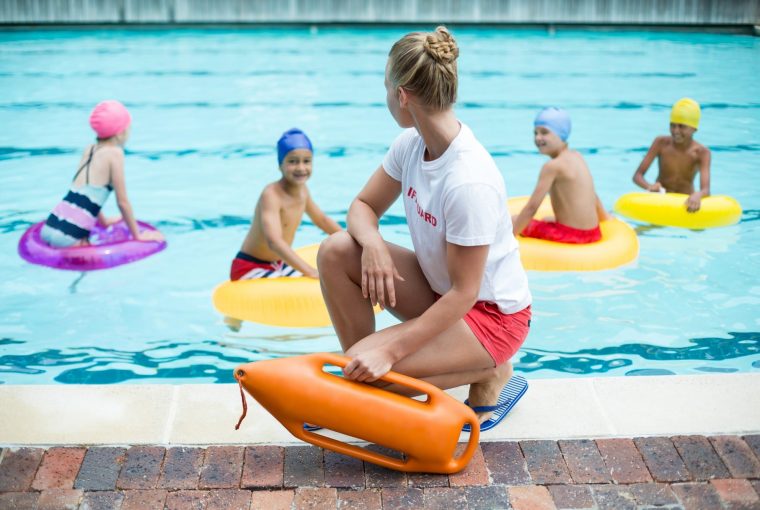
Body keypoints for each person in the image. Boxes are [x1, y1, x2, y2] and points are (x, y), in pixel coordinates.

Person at [317, 26, 532, 428]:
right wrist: (374, 243)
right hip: (440, 294)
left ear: (402, 95)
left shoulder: (468, 180)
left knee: (354, 381)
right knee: (337, 249)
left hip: (489, 317)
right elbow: (362, 206)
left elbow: (465, 294)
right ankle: (369, 374)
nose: (385, 98)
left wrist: (392, 351)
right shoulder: (411, 145)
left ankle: (490, 370)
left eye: (385, 87)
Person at [225, 128, 342, 330]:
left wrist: (349, 238)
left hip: (276, 264)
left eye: (306, 161)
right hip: (249, 267)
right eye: (293, 161)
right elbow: (274, 242)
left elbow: (321, 219)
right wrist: (309, 271)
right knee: (314, 281)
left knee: (329, 280)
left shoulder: (303, 191)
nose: (301, 167)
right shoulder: (271, 194)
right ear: (280, 164)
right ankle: (233, 324)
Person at [40, 100, 164, 247]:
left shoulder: (89, 149)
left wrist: (103, 222)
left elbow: (86, 193)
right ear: (120, 132)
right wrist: (138, 236)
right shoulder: (115, 154)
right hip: (72, 235)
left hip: (51, 224)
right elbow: (122, 202)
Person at [512, 107, 610, 244]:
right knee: (547, 219)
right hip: (594, 233)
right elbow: (593, 195)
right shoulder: (577, 156)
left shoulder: (552, 166)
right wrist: (605, 217)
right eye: (535, 133)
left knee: (513, 220)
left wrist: (510, 238)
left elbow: (531, 208)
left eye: (544, 132)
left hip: (571, 236)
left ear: (561, 134)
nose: (538, 137)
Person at [632, 97, 711, 212]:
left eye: (682, 126)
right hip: (662, 200)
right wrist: (650, 187)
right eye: (672, 125)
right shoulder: (660, 143)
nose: (676, 131)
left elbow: (706, 190)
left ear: (694, 129)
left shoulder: (702, 153)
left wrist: (698, 195)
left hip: (685, 202)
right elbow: (637, 176)